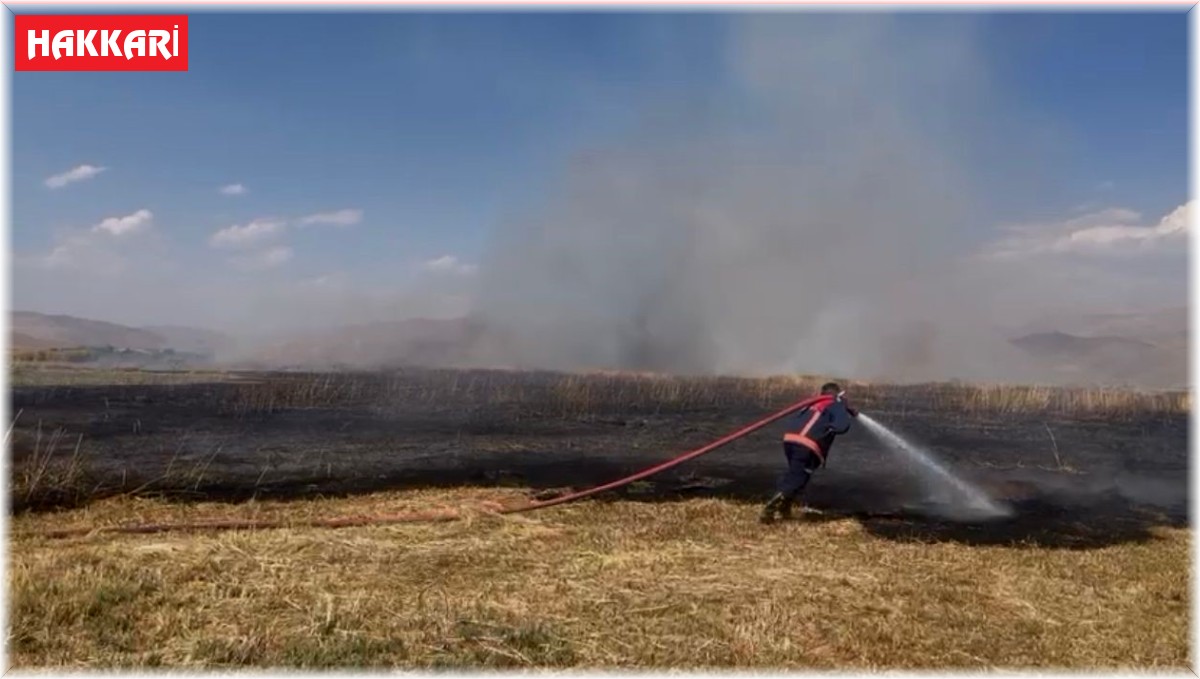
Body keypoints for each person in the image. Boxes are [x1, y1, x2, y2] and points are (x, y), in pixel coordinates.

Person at [760, 381, 859, 524]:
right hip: (807, 444)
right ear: (837, 394)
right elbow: (842, 426)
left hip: (790, 440)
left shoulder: (813, 403)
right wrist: (841, 410)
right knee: (798, 477)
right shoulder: (835, 404)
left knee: (797, 474)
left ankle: (784, 508)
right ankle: (772, 505)